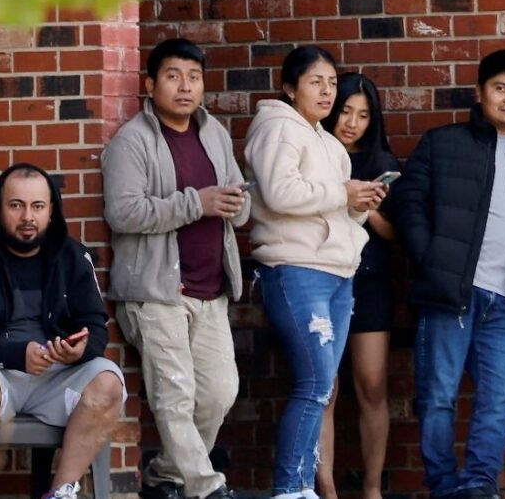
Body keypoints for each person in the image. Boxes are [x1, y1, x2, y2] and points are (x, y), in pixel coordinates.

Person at [392, 49, 505, 499]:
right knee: (437, 395)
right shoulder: (443, 142)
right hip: (451, 292)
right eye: (500, 88)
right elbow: (408, 203)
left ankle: (478, 485)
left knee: (499, 400)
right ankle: (442, 485)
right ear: (480, 92)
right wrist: (430, 257)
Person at [102, 38, 250, 499]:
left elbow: (236, 204)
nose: (185, 87)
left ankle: (166, 473)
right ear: (150, 84)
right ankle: (205, 487)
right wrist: (197, 204)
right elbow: (123, 213)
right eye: (172, 76)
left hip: (211, 289)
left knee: (219, 393)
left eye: (193, 77)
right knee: (175, 394)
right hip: (156, 290)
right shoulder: (133, 140)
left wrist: (236, 204)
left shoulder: (214, 133)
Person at [0, 163, 125, 499]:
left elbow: (96, 327)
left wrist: (81, 350)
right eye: (16, 205)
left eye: (37, 206)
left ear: (51, 211)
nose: (27, 217)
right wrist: (14, 354)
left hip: (54, 376)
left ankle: (62, 491)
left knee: (109, 382)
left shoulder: (73, 256)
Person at [243, 45, 386, 499]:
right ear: (290, 88)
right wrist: (342, 193)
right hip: (296, 268)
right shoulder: (277, 128)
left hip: (340, 273)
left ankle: (302, 484)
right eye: (314, 82)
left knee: (322, 387)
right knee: (314, 383)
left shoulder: (327, 142)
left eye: (330, 82)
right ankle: (291, 487)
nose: (326, 91)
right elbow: (281, 192)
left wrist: (360, 204)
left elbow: (336, 211)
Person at [314, 73, 401, 499]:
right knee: (324, 388)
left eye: (363, 115)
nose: (352, 122)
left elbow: (397, 236)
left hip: (370, 282)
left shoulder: (383, 162)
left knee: (371, 383)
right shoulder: (316, 154)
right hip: (321, 277)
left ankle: (371, 488)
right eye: (346, 110)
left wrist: (369, 211)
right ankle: (325, 488)